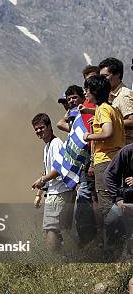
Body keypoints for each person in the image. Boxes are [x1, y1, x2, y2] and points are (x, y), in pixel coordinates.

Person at [82, 75, 126, 256]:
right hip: (118, 159)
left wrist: (89, 136)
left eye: (87, 90)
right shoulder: (113, 108)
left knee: (107, 205)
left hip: (105, 161)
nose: (85, 93)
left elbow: (107, 132)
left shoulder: (102, 110)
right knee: (119, 201)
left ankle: (114, 249)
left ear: (94, 92)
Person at [55, 85, 97, 247]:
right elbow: (61, 124)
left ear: (83, 97)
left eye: (74, 97)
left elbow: (89, 135)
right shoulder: (73, 114)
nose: (70, 102)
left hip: (89, 161)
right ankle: (83, 240)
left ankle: (91, 239)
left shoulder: (86, 112)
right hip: (79, 165)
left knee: (86, 199)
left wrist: (92, 160)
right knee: (79, 202)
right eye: (67, 99)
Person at [30, 113, 75, 250]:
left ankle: (53, 260)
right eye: (36, 129)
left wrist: (42, 180)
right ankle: (68, 256)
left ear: (49, 126)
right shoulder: (47, 146)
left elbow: (59, 168)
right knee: (60, 229)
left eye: (42, 127)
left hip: (59, 191)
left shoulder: (56, 144)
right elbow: (47, 170)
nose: (39, 131)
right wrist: (39, 194)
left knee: (51, 228)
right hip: (55, 192)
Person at [103, 144, 133, 260]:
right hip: (125, 198)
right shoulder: (127, 151)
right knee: (110, 221)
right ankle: (112, 254)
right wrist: (118, 199)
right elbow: (108, 175)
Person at [99, 57, 133, 145]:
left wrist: (109, 123)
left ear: (117, 74)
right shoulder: (111, 94)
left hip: (125, 147)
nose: (102, 80)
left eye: (105, 76)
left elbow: (131, 121)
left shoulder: (124, 95)